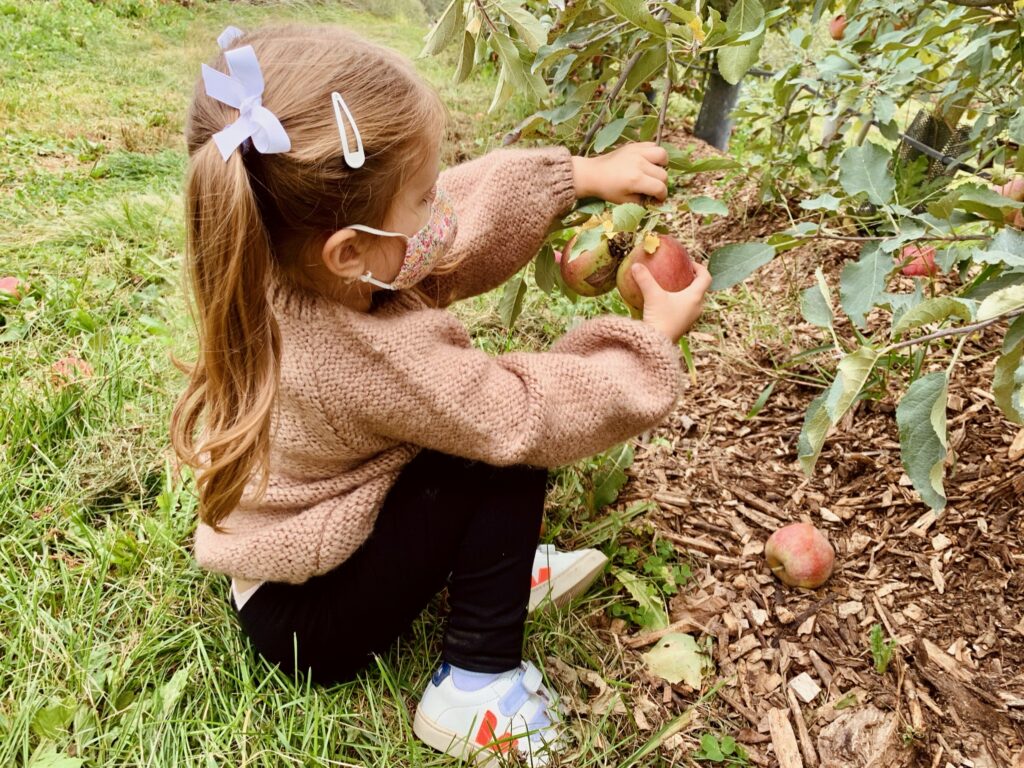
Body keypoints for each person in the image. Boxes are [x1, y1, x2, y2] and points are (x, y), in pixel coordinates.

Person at [170, 23, 711, 766]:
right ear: (349, 249)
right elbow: (525, 415)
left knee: (469, 435)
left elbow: (453, 223)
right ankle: (475, 688)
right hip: (309, 623)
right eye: (420, 197)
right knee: (497, 449)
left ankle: (488, 565)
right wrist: (649, 340)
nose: (438, 207)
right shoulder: (366, 356)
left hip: (285, 571)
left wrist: (575, 177)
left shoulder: (282, 249)